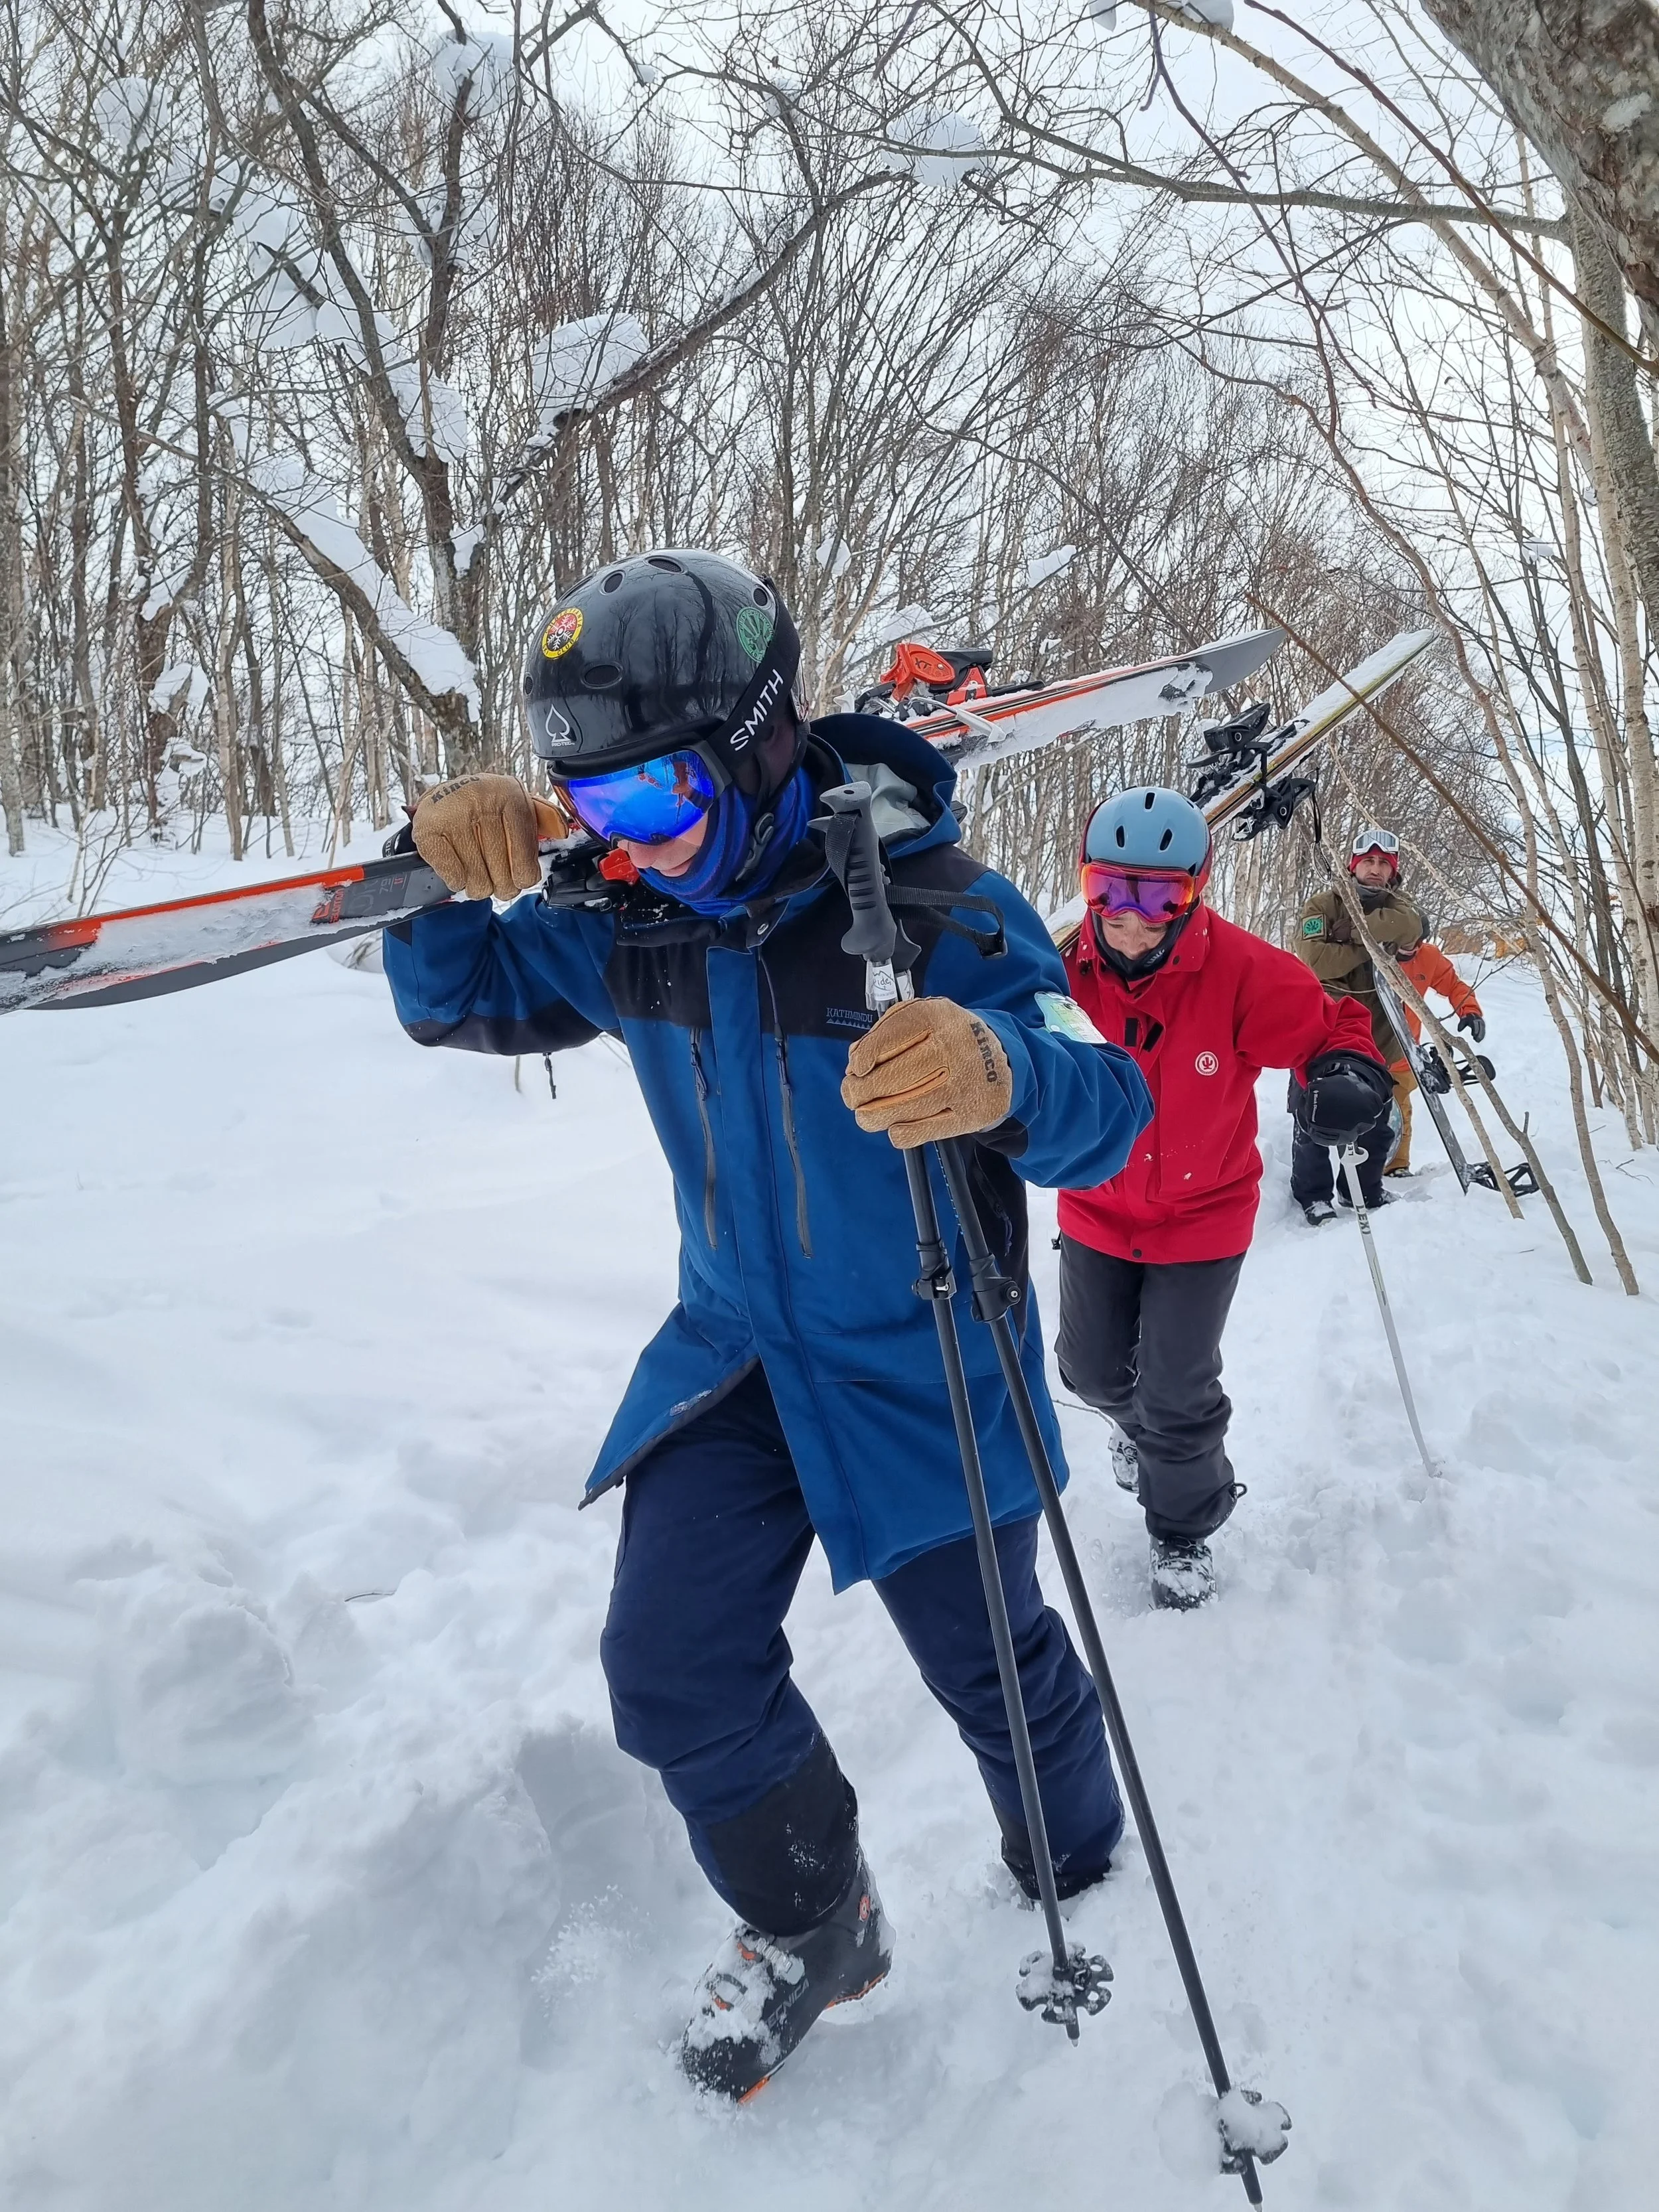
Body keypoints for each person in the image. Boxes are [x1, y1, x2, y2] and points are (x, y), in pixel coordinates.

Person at [381, 550, 1155, 2102]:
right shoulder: (632, 919)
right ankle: (817, 1922)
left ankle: (1074, 1847)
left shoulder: (938, 909)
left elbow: (1107, 1109)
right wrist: (430, 867)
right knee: (667, 1667)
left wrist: (1000, 1071)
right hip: (736, 1356)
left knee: (993, 1666)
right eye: (590, 812)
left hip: (923, 1357)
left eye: (656, 803)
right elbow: (455, 992)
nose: (630, 848)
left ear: (758, 742)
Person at [1053, 787, 1390, 1610]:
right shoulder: (1059, 969)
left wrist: (1348, 1072)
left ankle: (1182, 1529)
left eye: (1161, 900)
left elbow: (1333, 1023)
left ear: (1195, 890)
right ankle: (1145, 1440)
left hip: (1202, 1219)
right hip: (1095, 1207)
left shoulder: (1238, 971)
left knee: (1177, 1391)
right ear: (1087, 885)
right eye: (1112, 895)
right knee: (1088, 1371)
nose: (1132, 922)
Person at [1293, 826, 1485, 1194]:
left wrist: (1350, 935)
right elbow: (1315, 960)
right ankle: (1312, 1195)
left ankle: (1367, 1189)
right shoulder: (1322, 905)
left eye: (1384, 862)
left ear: (1393, 870)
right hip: (1323, 1023)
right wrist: (1375, 943)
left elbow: (1414, 928)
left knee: (1380, 1117)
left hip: (1383, 1035)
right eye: (1368, 861)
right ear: (1353, 866)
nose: (1376, 868)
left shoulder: (1403, 907)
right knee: (1310, 1109)